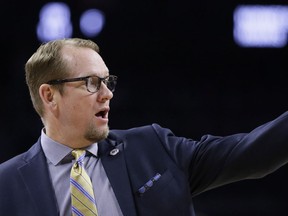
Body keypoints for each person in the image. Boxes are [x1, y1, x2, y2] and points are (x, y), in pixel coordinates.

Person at [0, 37, 288, 216]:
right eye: (91, 83)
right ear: (50, 95)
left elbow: (252, 154)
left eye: (107, 81)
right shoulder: (6, 184)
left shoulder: (153, 147)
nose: (107, 93)